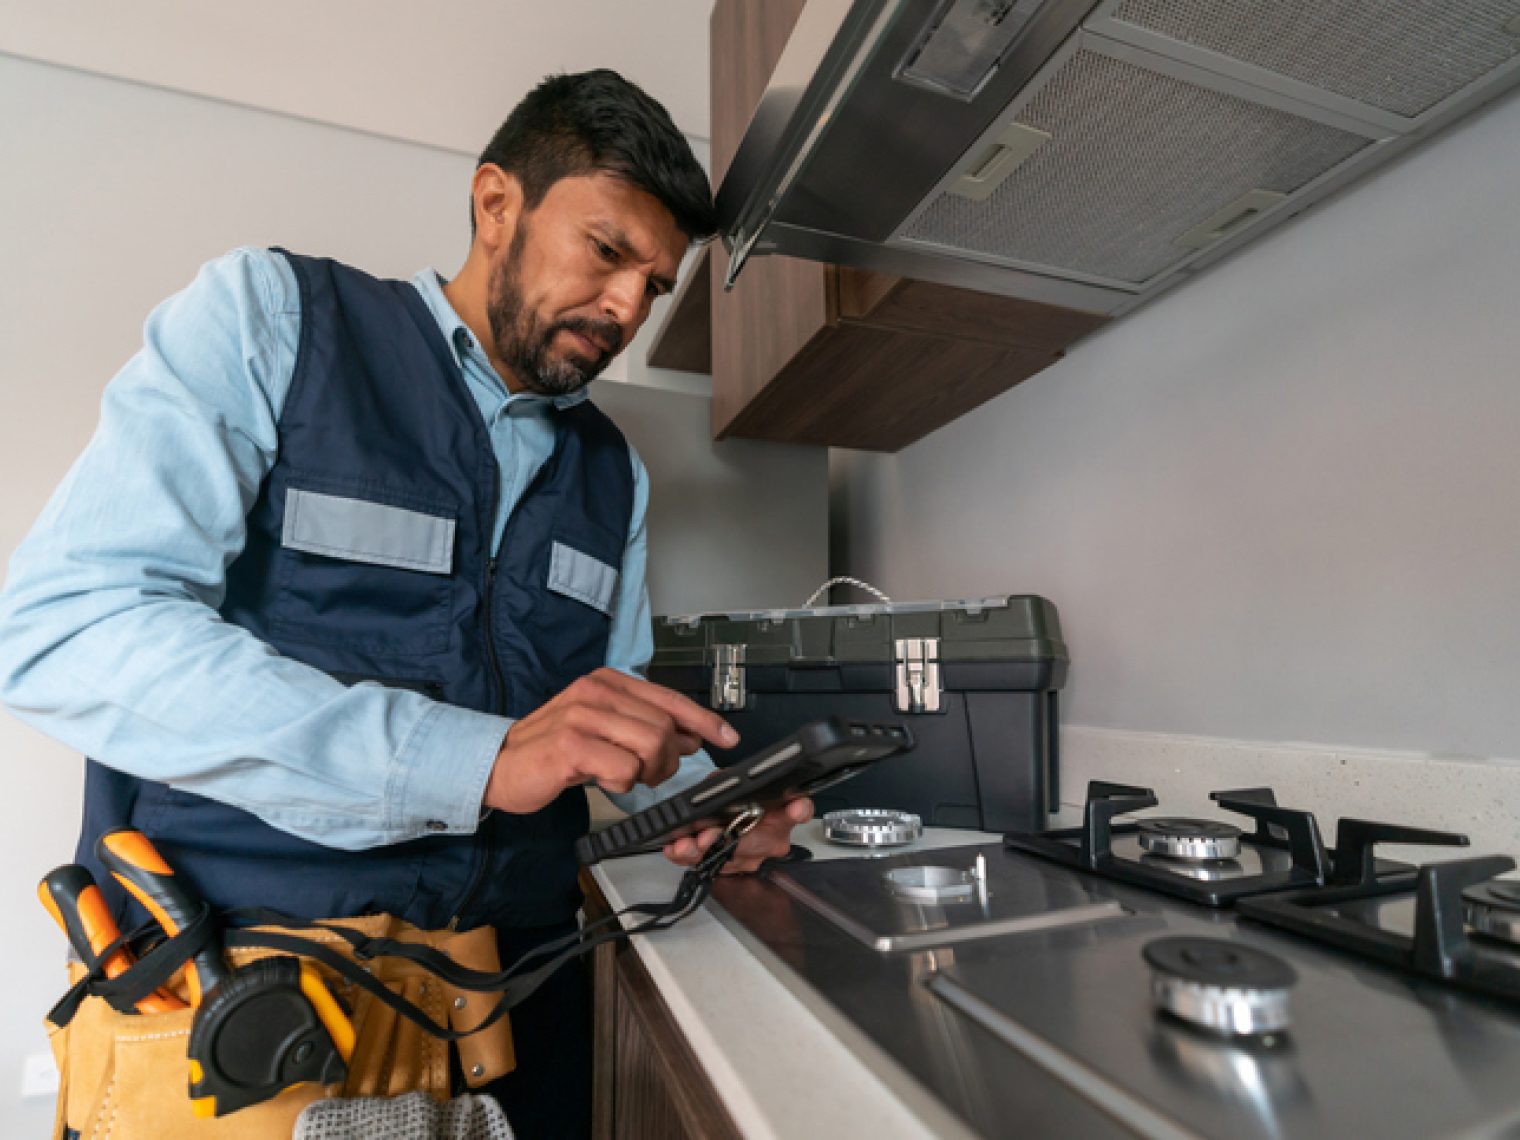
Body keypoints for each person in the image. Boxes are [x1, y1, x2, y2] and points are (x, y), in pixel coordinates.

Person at [0, 69, 811, 1138]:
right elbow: (67, 626)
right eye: (606, 251)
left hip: (522, 1016)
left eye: (654, 285)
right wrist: (472, 758)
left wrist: (710, 807)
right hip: (253, 1017)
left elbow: (605, 714)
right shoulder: (272, 320)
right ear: (496, 204)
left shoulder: (612, 472)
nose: (627, 309)